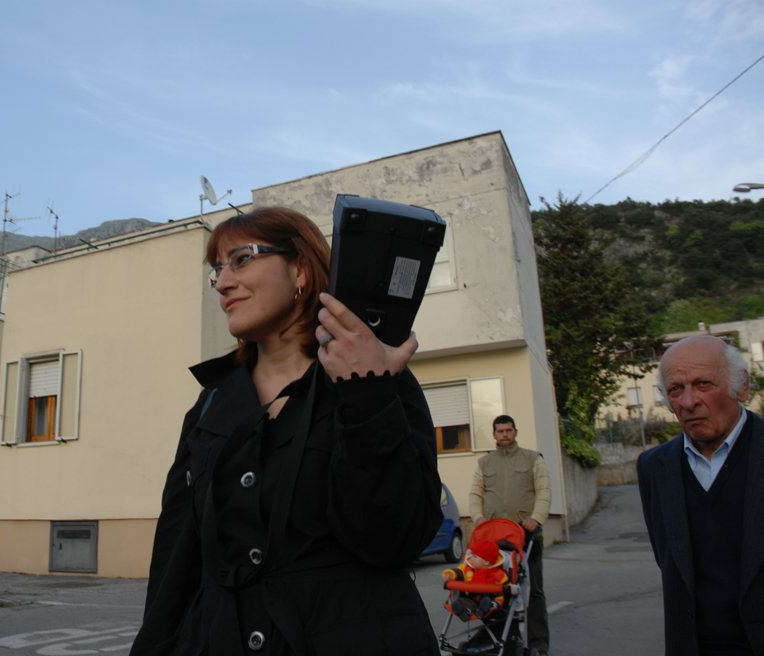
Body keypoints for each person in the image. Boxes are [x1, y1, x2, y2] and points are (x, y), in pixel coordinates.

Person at [131, 207, 444, 655]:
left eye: (241, 259)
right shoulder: (211, 405)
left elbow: (394, 539)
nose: (221, 283)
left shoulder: (375, 378)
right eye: (217, 270)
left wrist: (367, 396)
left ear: (299, 268)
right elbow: (176, 559)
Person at [638, 335, 764, 655]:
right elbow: (668, 559)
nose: (688, 401)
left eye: (703, 383)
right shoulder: (654, 467)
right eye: (676, 390)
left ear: (743, 388)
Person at [469, 415, 551, 656]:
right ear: (494, 435)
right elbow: (475, 494)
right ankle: (503, 641)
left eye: (508, 430)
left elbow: (544, 490)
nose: (504, 434)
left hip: (526, 534)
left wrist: (536, 518)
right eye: (500, 431)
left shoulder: (532, 458)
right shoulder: (485, 463)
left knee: (533, 591)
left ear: (515, 432)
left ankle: (538, 645)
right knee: (496, 590)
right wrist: (478, 519)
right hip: (494, 538)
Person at [442, 538, 509, 620]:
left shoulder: (497, 573)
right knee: (461, 602)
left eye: (475, 557)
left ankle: (489, 606)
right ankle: (466, 611)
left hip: (488, 598)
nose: (471, 558)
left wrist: (508, 588)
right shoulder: (467, 569)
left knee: (491, 599)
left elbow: (506, 585)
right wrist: (450, 574)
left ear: (486, 562)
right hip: (470, 598)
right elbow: (459, 572)